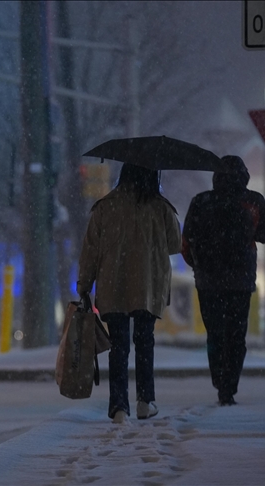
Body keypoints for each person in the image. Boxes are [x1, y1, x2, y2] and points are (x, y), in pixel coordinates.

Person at [77, 163, 182, 424]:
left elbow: (90, 250)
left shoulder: (104, 207)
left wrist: (84, 284)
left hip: (114, 284)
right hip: (148, 284)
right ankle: (145, 401)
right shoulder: (161, 207)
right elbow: (175, 244)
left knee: (118, 346)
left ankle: (119, 406)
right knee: (145, 342)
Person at [181, 155, 265, 406]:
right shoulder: (252, 201)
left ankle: (219, 378)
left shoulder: (201, 201)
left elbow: (186, 241)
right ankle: (229, 386)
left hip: (208, 281)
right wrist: (248, 231)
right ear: (244, 176)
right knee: (236, 336)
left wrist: (199, 265)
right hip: (240, 281)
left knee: (214, 334)